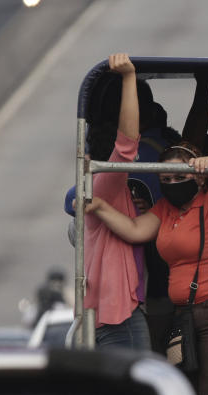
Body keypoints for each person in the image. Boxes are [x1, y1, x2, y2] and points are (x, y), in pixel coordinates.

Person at [84, 142, 208, 395]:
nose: (172, 184)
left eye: (180, 177)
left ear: (197, 176)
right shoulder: (166, 209)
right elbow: (135, 230)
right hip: (188, 316)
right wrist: (100, 206)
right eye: (165, 179)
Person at [83, 53, 150, 351]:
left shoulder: (97, 193)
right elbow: (126, 146)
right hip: (119, 316)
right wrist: (128, 78)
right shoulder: (105, 185)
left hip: (105, 313)